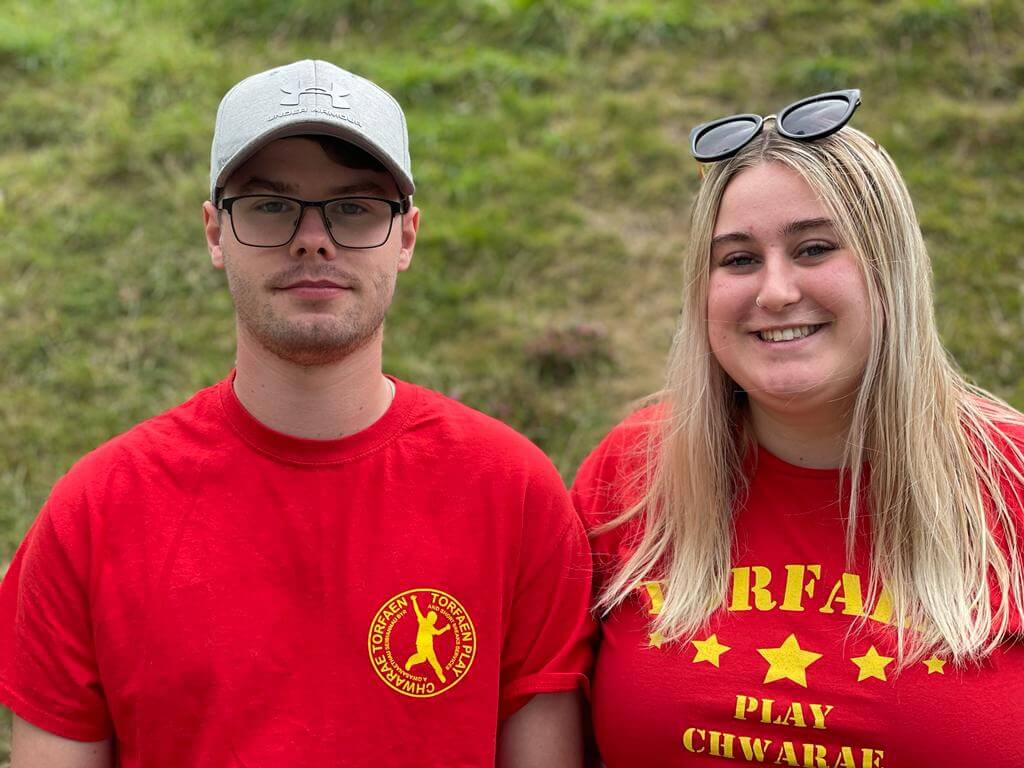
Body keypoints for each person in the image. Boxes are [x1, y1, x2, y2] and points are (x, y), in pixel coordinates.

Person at [0, 59, 593, 767]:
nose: (313, 238)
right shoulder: (95, 514)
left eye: (354, 207)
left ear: (405, 237)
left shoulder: (513, 493)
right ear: (215, 233)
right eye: (271, 206)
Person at [572, 90, 1024, 766]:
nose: (776, 292)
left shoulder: (1011, 478)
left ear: (889, 270)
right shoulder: (634, 472)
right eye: (739, 260)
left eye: (814, 249)